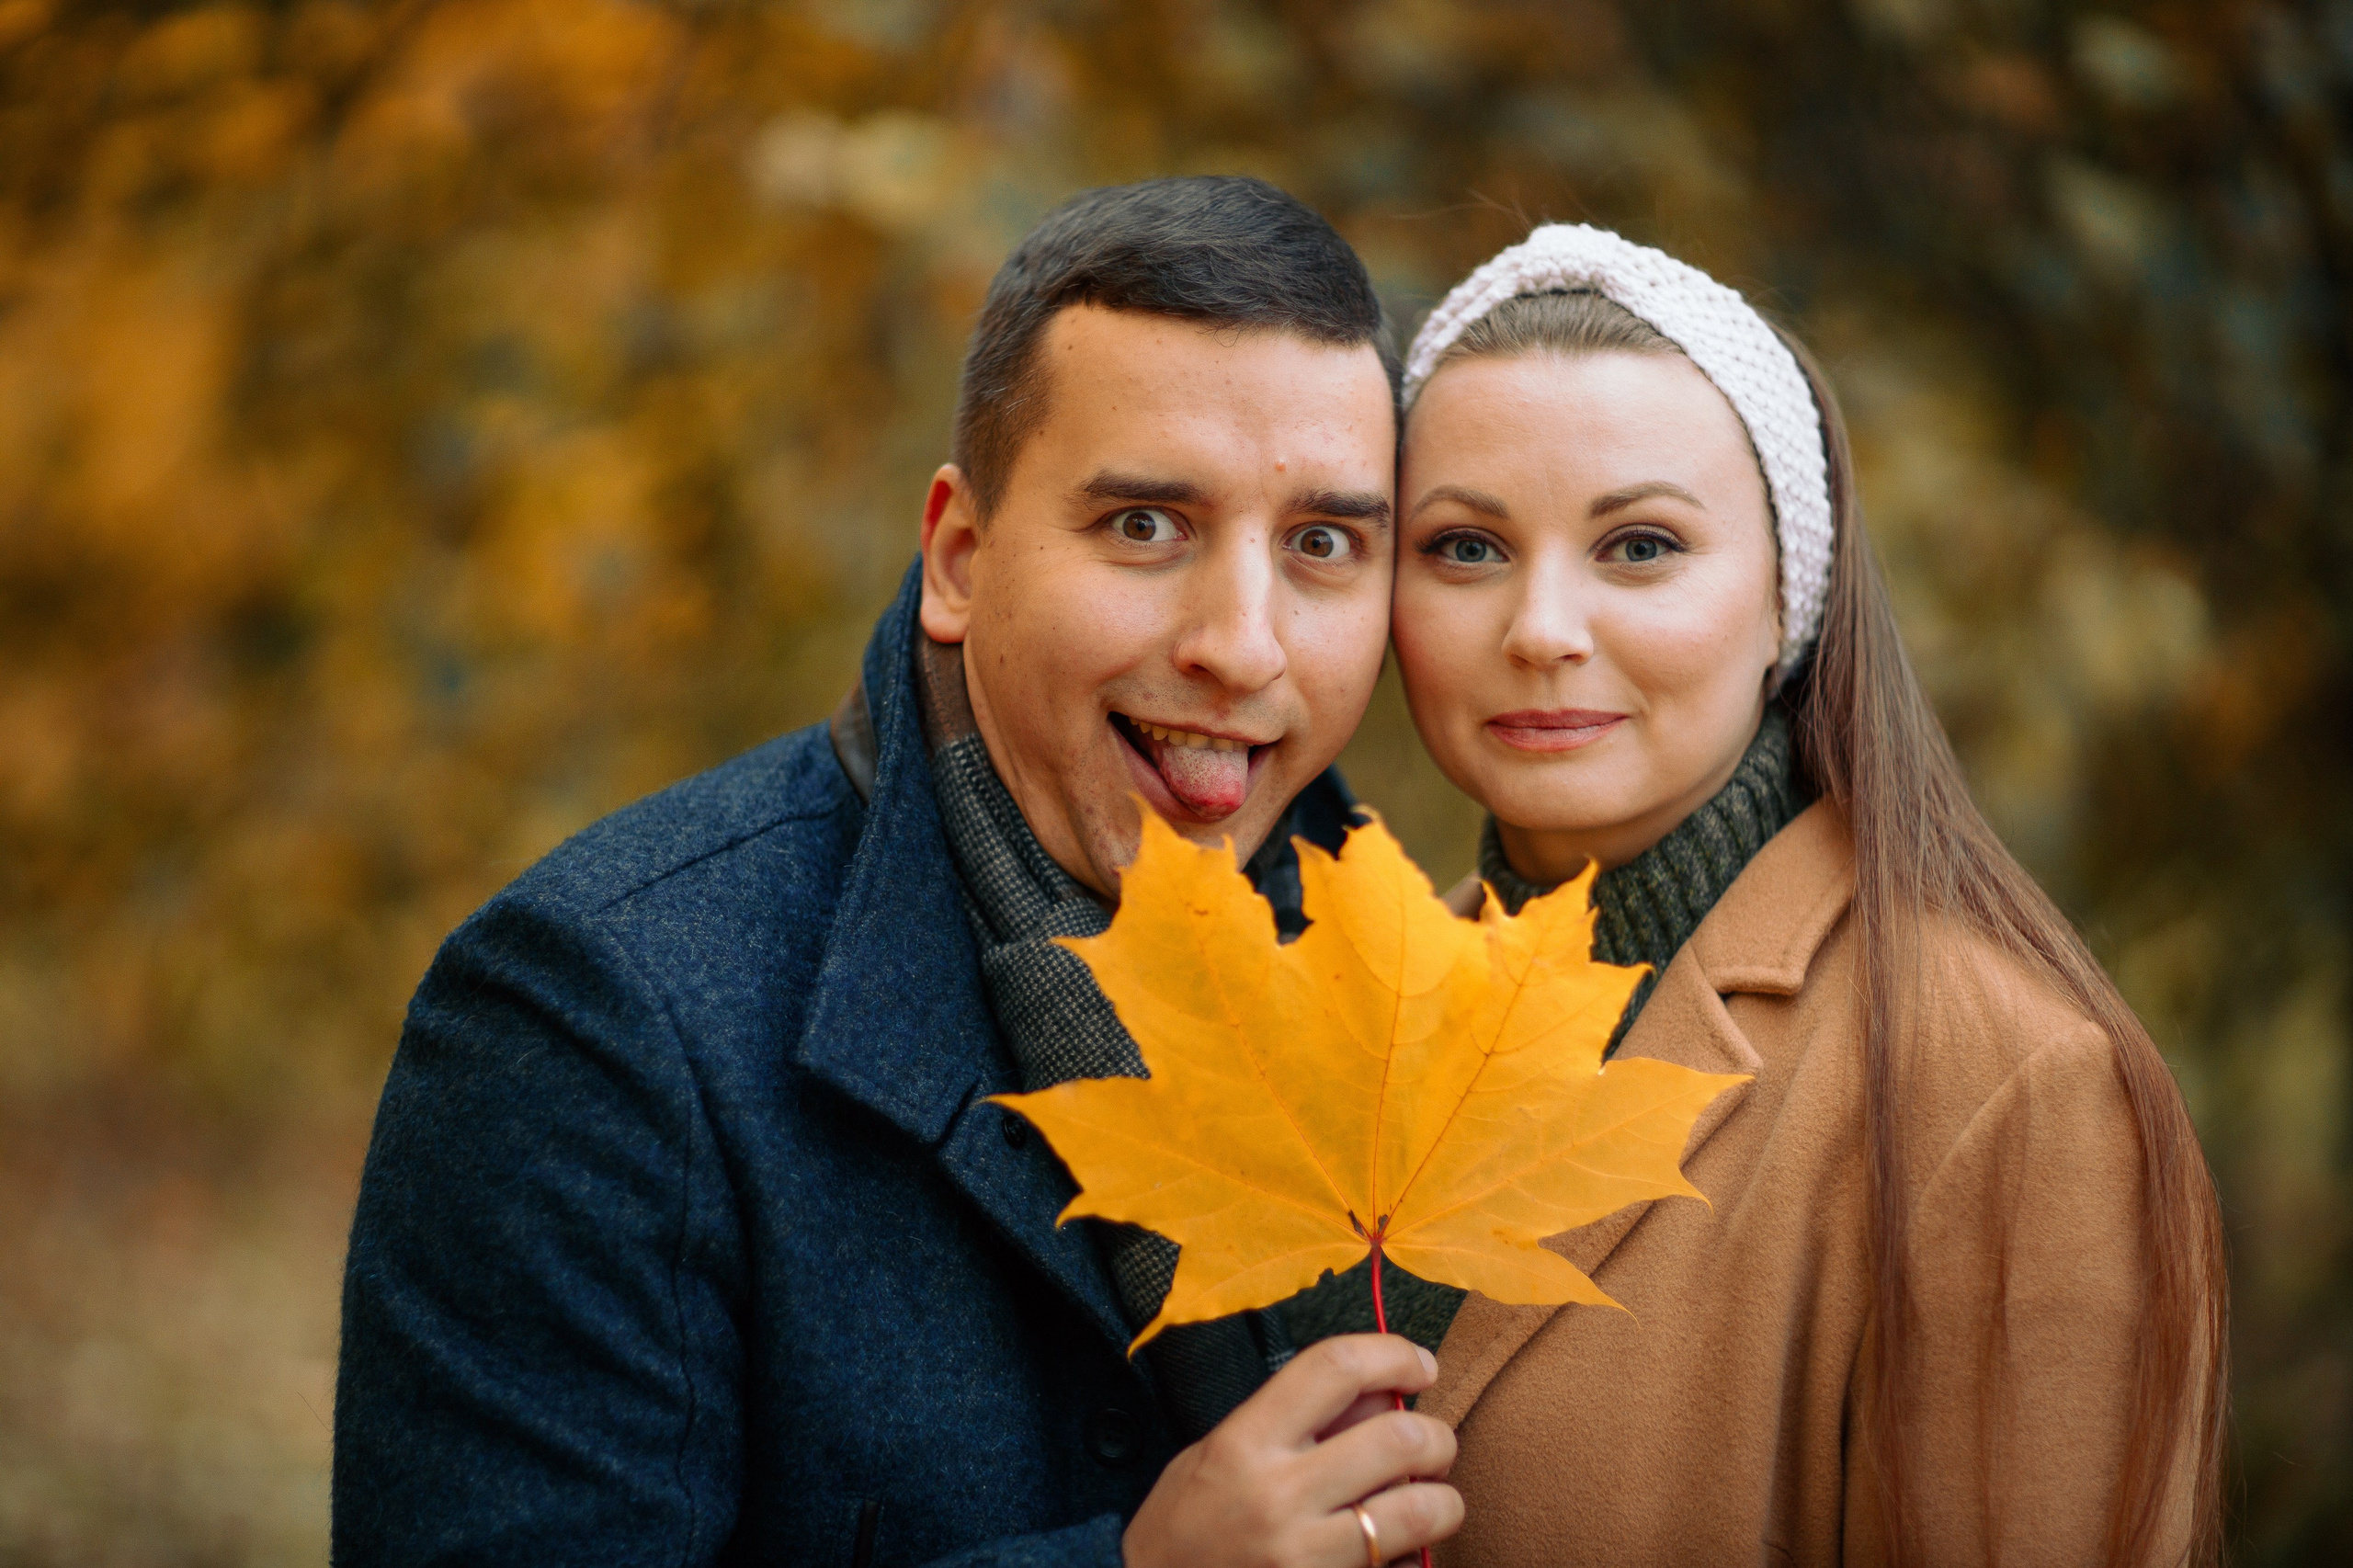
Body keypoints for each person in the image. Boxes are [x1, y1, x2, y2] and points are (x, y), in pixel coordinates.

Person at [334, 176, 1465, 1568]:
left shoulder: (1429, 1001)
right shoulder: (593, 1018)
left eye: (1323, 545)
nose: (1243, 643)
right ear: (959, 559)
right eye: (1145, 525)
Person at [1380, 227, 2226, 1566]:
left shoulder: (1999, 1083)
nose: (1540, 628)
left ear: (1789, 597)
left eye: (1640, 545)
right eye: (1466, 547)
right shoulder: (1354, 1006)